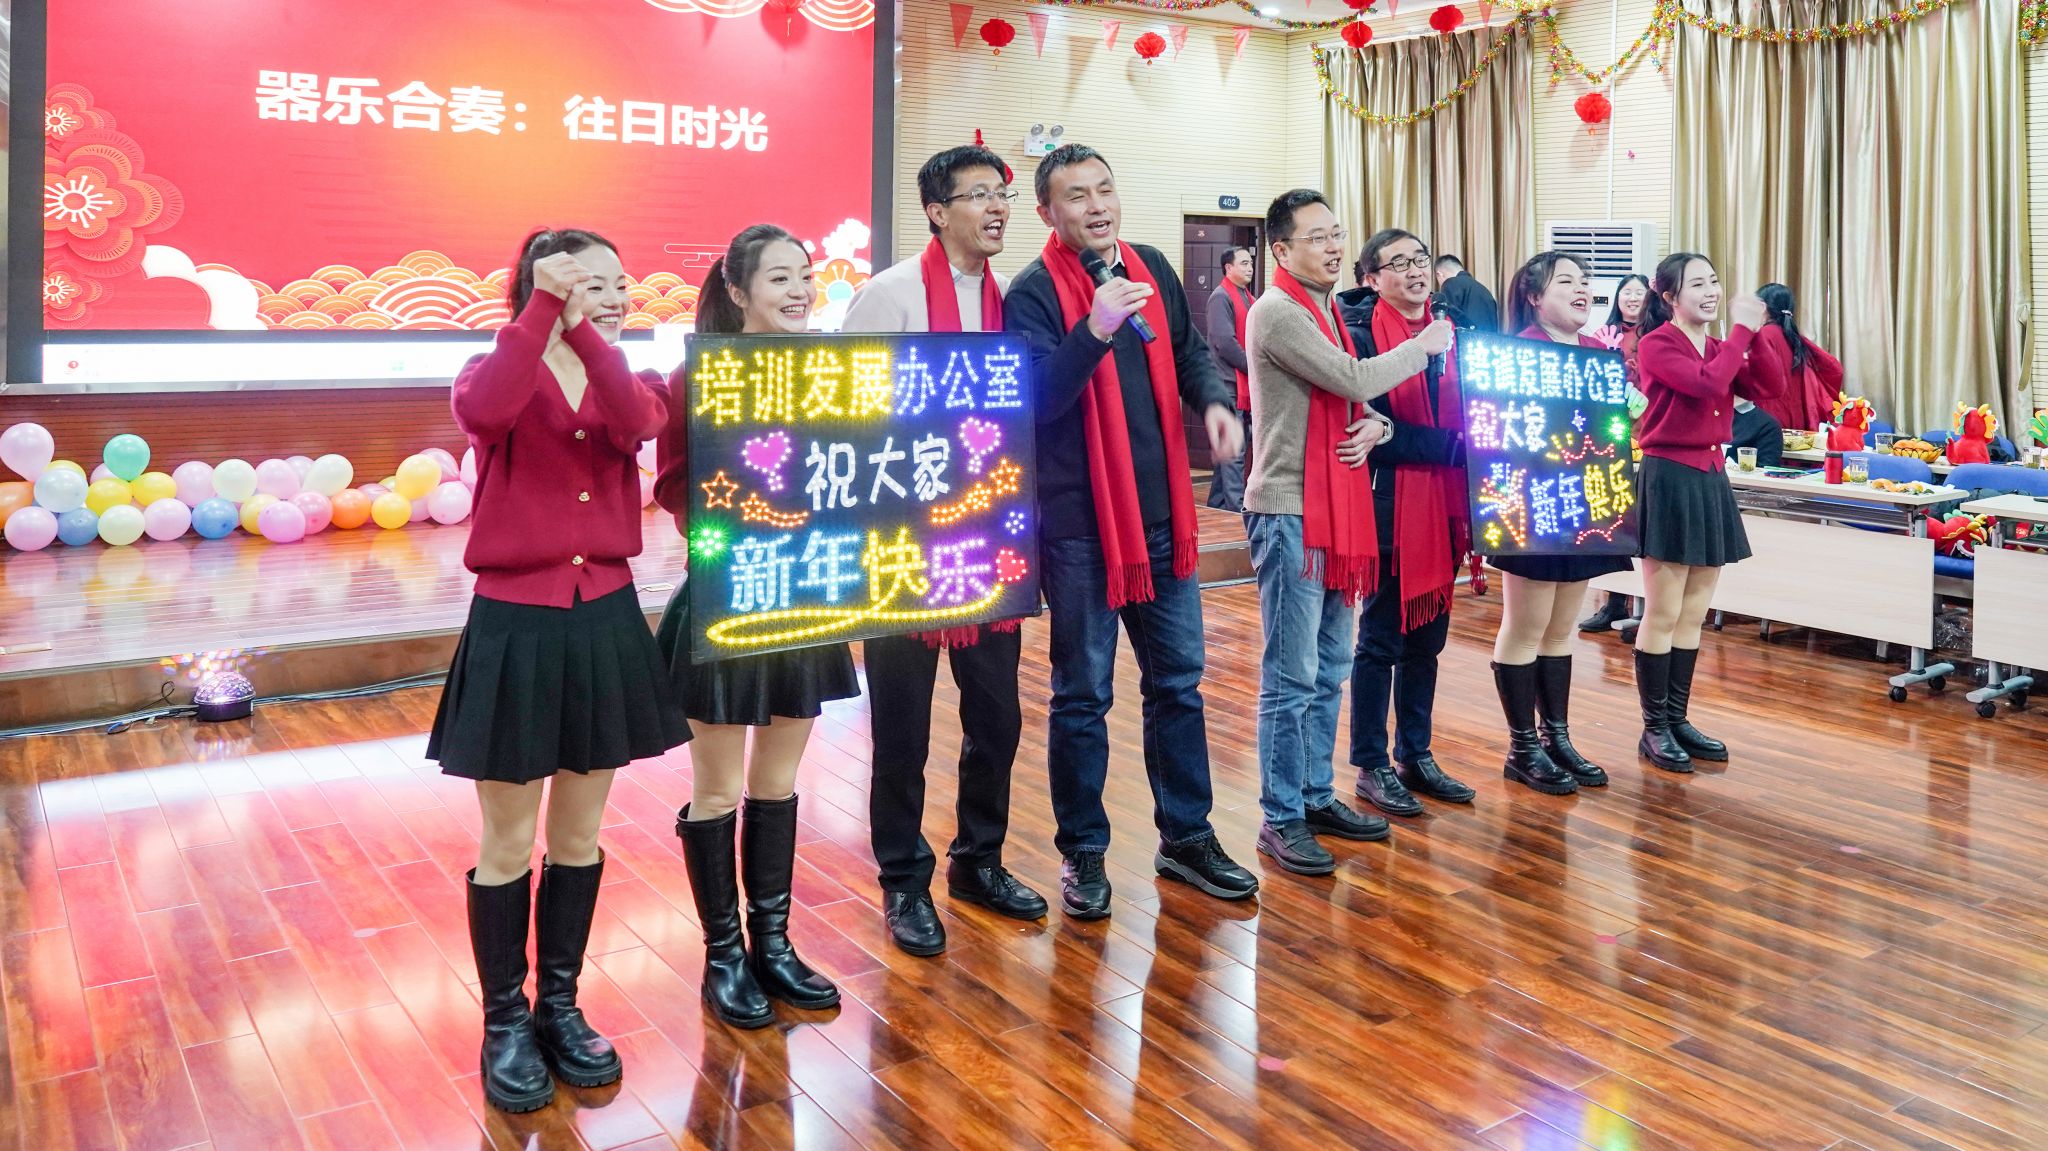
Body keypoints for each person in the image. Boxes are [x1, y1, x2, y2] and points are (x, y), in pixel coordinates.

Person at [430, 229, 691, 1112]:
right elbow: (488, 413)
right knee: (507, 840)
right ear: (539, 286)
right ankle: (505, 1020)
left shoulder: (633, 376)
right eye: (593, 283)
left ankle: (561, 1005)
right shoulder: (488, 370)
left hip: (605, 618)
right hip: (515, 625)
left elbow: (639, 426)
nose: (615, 297)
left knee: (579, 836)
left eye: (621, 284)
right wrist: (545, 310)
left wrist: (581, 325)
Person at [1004, 143, 1258, 917]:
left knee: (1177, 685)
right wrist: (1094, 328)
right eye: (1077, 195)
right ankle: (1083, 852)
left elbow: (1188, 351)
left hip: (1164, 520)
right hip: (1081, 530)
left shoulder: (1150, 265)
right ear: (1048, 212)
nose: (1097, 206)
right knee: (1082, 696)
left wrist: (1215, 403)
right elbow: (1037, 401)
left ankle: (1187, 836)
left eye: (1105, 189)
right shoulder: (1032, 293)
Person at [840, 145, 1047, 957]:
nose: (997, 208)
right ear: (936, 210)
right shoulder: (889, 293)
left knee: (997, 718)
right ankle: (902, 879)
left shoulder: (1012, 299)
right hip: (903, 545)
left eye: (1003, 195)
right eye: (979, 195)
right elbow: (850, 413)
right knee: (903, 729)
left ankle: (978, 861)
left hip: (988, 540)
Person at [653, 225, 857, 1027]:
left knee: (778, 782)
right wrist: (744, 517)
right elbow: (675, 488)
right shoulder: (696, 376)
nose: (800, 290)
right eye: (780, 277)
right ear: (738, 292)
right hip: (729, 601)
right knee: (717, 787)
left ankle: (772, 943)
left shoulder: (831, 371)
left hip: (807, 597)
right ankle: (723, 956)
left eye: (806, 274)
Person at [1241, 190, 1454, 875]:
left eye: (1337, 234)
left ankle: (1314, 794)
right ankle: (1280, 815)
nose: (1333, 246)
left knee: (1330, 666)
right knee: (1290, 675)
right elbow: (1351, 376)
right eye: (1318, 237)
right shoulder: (1278, 311)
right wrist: (1421, 348)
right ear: (1281, 250)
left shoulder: (1327, 308)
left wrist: (1380, 426)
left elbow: (1358, 402)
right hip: (1290, 508)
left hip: (1335, 506)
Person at [1334, 230, 1476, 818]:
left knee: (1427, 642)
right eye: (1399, 264)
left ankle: (1415, 754)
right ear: (1371, 279)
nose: (1416, 271)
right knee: (1381, 640)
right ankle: (1371, 764)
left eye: (1421, 260)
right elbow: (1369, 430)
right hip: (1390, 505)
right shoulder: (1361, 338)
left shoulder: (1454, 332)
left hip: (1447, 507)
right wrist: (1450, 447)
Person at [1631, 251, 1787, 772]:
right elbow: (1705, 383)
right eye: (1697, 284)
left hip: (1710, 476)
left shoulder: (1721, 346)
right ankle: (1654, 727)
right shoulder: (1657, 344)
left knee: (1693, 612)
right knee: (1664, 611)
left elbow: (1770, 387)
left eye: (1714, 281)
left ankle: (1677, 719)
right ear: (1669, 296)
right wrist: (1742, 332)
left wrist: (1756, 334)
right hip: (1670, 476)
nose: (1711, 291)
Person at [1490, 252, 1636, 796]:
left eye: (1585, 280)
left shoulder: (1598, 352)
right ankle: (1522, 747)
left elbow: (1614, 426)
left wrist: (1627, 410)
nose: (1582, 288)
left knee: (1561, 630)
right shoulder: (1519, 352)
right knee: (1525, 628)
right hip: (1533, 506)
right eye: (1567, 280)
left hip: (1584, 503)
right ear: (1534, 297)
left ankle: (1557, 738)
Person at [1578, 271, 1652, 636]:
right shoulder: (1600, 336)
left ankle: (1646, 608)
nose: (1633, 298)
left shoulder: (1656, 336)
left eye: (1639, 292)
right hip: (1611, 432)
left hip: (1646, 428)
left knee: (1643, 522)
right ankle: (1614, 603)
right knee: (1614, 518)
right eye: (1627, 292)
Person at [1205, 246, 1257, 512]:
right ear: (1228, 268)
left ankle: (1216, 505)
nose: (1250, 268)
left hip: (1242, 386)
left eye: (1251, 263)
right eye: (1244, 263)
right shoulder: (1221, 297)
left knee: (1231, 450)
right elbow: (1224, 343)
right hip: (1228, 385)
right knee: (1235, 451)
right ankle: (1237, 511)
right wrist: (1255, 368)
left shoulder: (1247, 297)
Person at [1754, 283, 1845, 432]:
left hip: (1769, 420)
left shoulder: (1764, 335)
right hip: (1798, 421)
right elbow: (1835, 368)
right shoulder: (1795, 337)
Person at [1432, 255, 1500, 332]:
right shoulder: (1485, 291)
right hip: (1489, 339)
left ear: (1439, 274)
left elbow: (1449, 323)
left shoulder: (1450, 283)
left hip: (1464, 338)